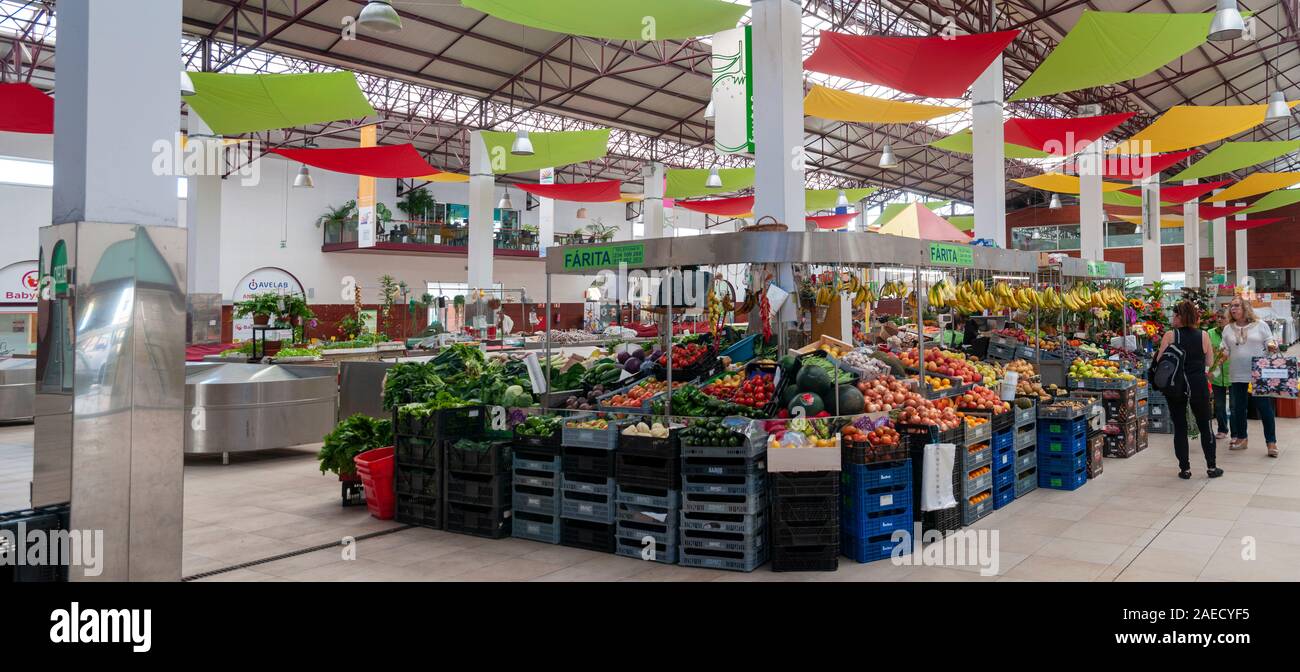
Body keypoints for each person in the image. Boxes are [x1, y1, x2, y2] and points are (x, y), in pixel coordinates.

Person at [1156, 300, 1221, 479]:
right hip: (1198, 384)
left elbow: (1160, 361)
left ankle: (1185, 469)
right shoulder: (1204, 335)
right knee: (1205, 425)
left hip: (1177, 386)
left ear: (1179, 316)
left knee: (1180, 427)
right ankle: (1212, 467)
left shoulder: (1170, 336)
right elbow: (1209, 362)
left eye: (1174, 315)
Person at [1219, 296, 1281, 457]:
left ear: (1246, 307)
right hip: (1237, 372)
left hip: (1258, 373)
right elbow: (1225, 348)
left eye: (1237, 306)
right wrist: (1221, 356)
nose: (1233, 309)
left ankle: (1271, 442)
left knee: (1264, 408)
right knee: (1238, 408)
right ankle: (1241, 438)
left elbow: (1270, 340)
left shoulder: (1260, 325)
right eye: (1231, 306)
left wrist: (1271, 345)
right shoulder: (1227, 329)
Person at [1206, 308, 1231, 440]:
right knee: (1219, 404)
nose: (1220, 319)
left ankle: (1238, 432)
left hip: (1233, 373)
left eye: (1223, 317)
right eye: (1218, 317)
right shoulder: (1210, 333)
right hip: (1216, 374)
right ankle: (1222, 429)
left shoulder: (1234, 333)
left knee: (1235, 405)